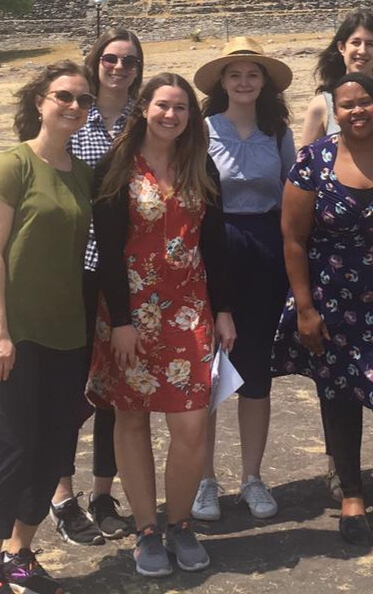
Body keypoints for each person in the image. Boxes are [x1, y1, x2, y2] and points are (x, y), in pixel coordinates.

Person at [274, 71, 373, 550]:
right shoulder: (313, 162)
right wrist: (305, 308)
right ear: (334, 111)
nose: (357, 111)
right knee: (338, 398)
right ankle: (351, 497)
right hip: (331, 301)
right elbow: (293, 239)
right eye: (346, 105)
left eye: (365, 102)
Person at [88, 74, 237, 578]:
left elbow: (215, 243)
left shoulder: (200, 165)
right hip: (131, 313)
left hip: (189, 308)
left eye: (181, 109)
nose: (171, 115)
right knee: (131, 419)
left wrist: (223, 310)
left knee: (191, 422)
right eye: (162, 106)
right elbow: (108, 251)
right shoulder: (116, 168)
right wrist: (123, 322)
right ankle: (147, 530)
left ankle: (181, 523)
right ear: (144, 110)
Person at [0, 61, 96, 594]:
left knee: (56, 442)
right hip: (12, 330)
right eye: (63, 96)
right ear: (39, 101)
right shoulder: (11, 164)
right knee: (15, 445)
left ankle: (22, 551)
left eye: (83, 100)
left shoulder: (81, 173)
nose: (74, 107)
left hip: (65, 328)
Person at [191, 37, 296, 523]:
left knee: (254, 370)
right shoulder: (203, 130)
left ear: (264, 83)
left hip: (266, 251)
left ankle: (253, 476)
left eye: (252, 74)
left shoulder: (278, 132)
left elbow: (292, 192)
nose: (244, 81)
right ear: (222, 82)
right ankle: (204, 479)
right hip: (214, 246)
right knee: (209, 369)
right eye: (235, 74)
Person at [50, 29, 144, 546]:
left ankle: (103, 492)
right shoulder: (72, 115)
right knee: (71, 384)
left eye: (129, 61)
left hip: (127, 272)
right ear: (95, 62)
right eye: (110, 58)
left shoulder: (142, 120)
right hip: (79, 268)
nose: (118, 68)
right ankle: (61, 494)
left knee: (117, 389)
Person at [301, 10, 373, 143]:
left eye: (370, 44)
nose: (362, 51)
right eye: (356, 42)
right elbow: (306, 160)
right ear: (341, 47)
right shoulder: (321, 105)